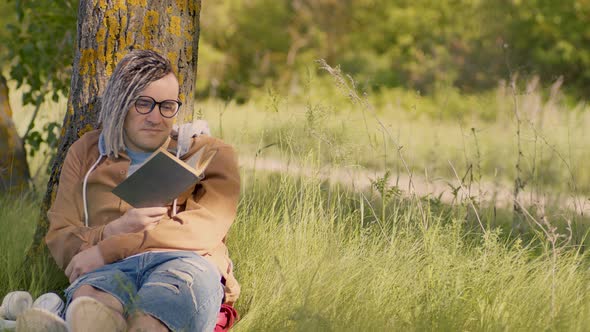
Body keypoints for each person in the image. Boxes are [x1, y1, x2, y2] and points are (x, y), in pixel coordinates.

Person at [20, 50, 240, 332]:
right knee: (91, 309)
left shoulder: (208, 152)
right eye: (143, 104)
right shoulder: (86, 153)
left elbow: (203, 232)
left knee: (150, 319)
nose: (156, 117)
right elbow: (61, 235)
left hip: (185, 265)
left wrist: (108, 247)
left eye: (167, 105)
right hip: (108, 270)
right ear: (120, 104)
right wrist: (110, 231)